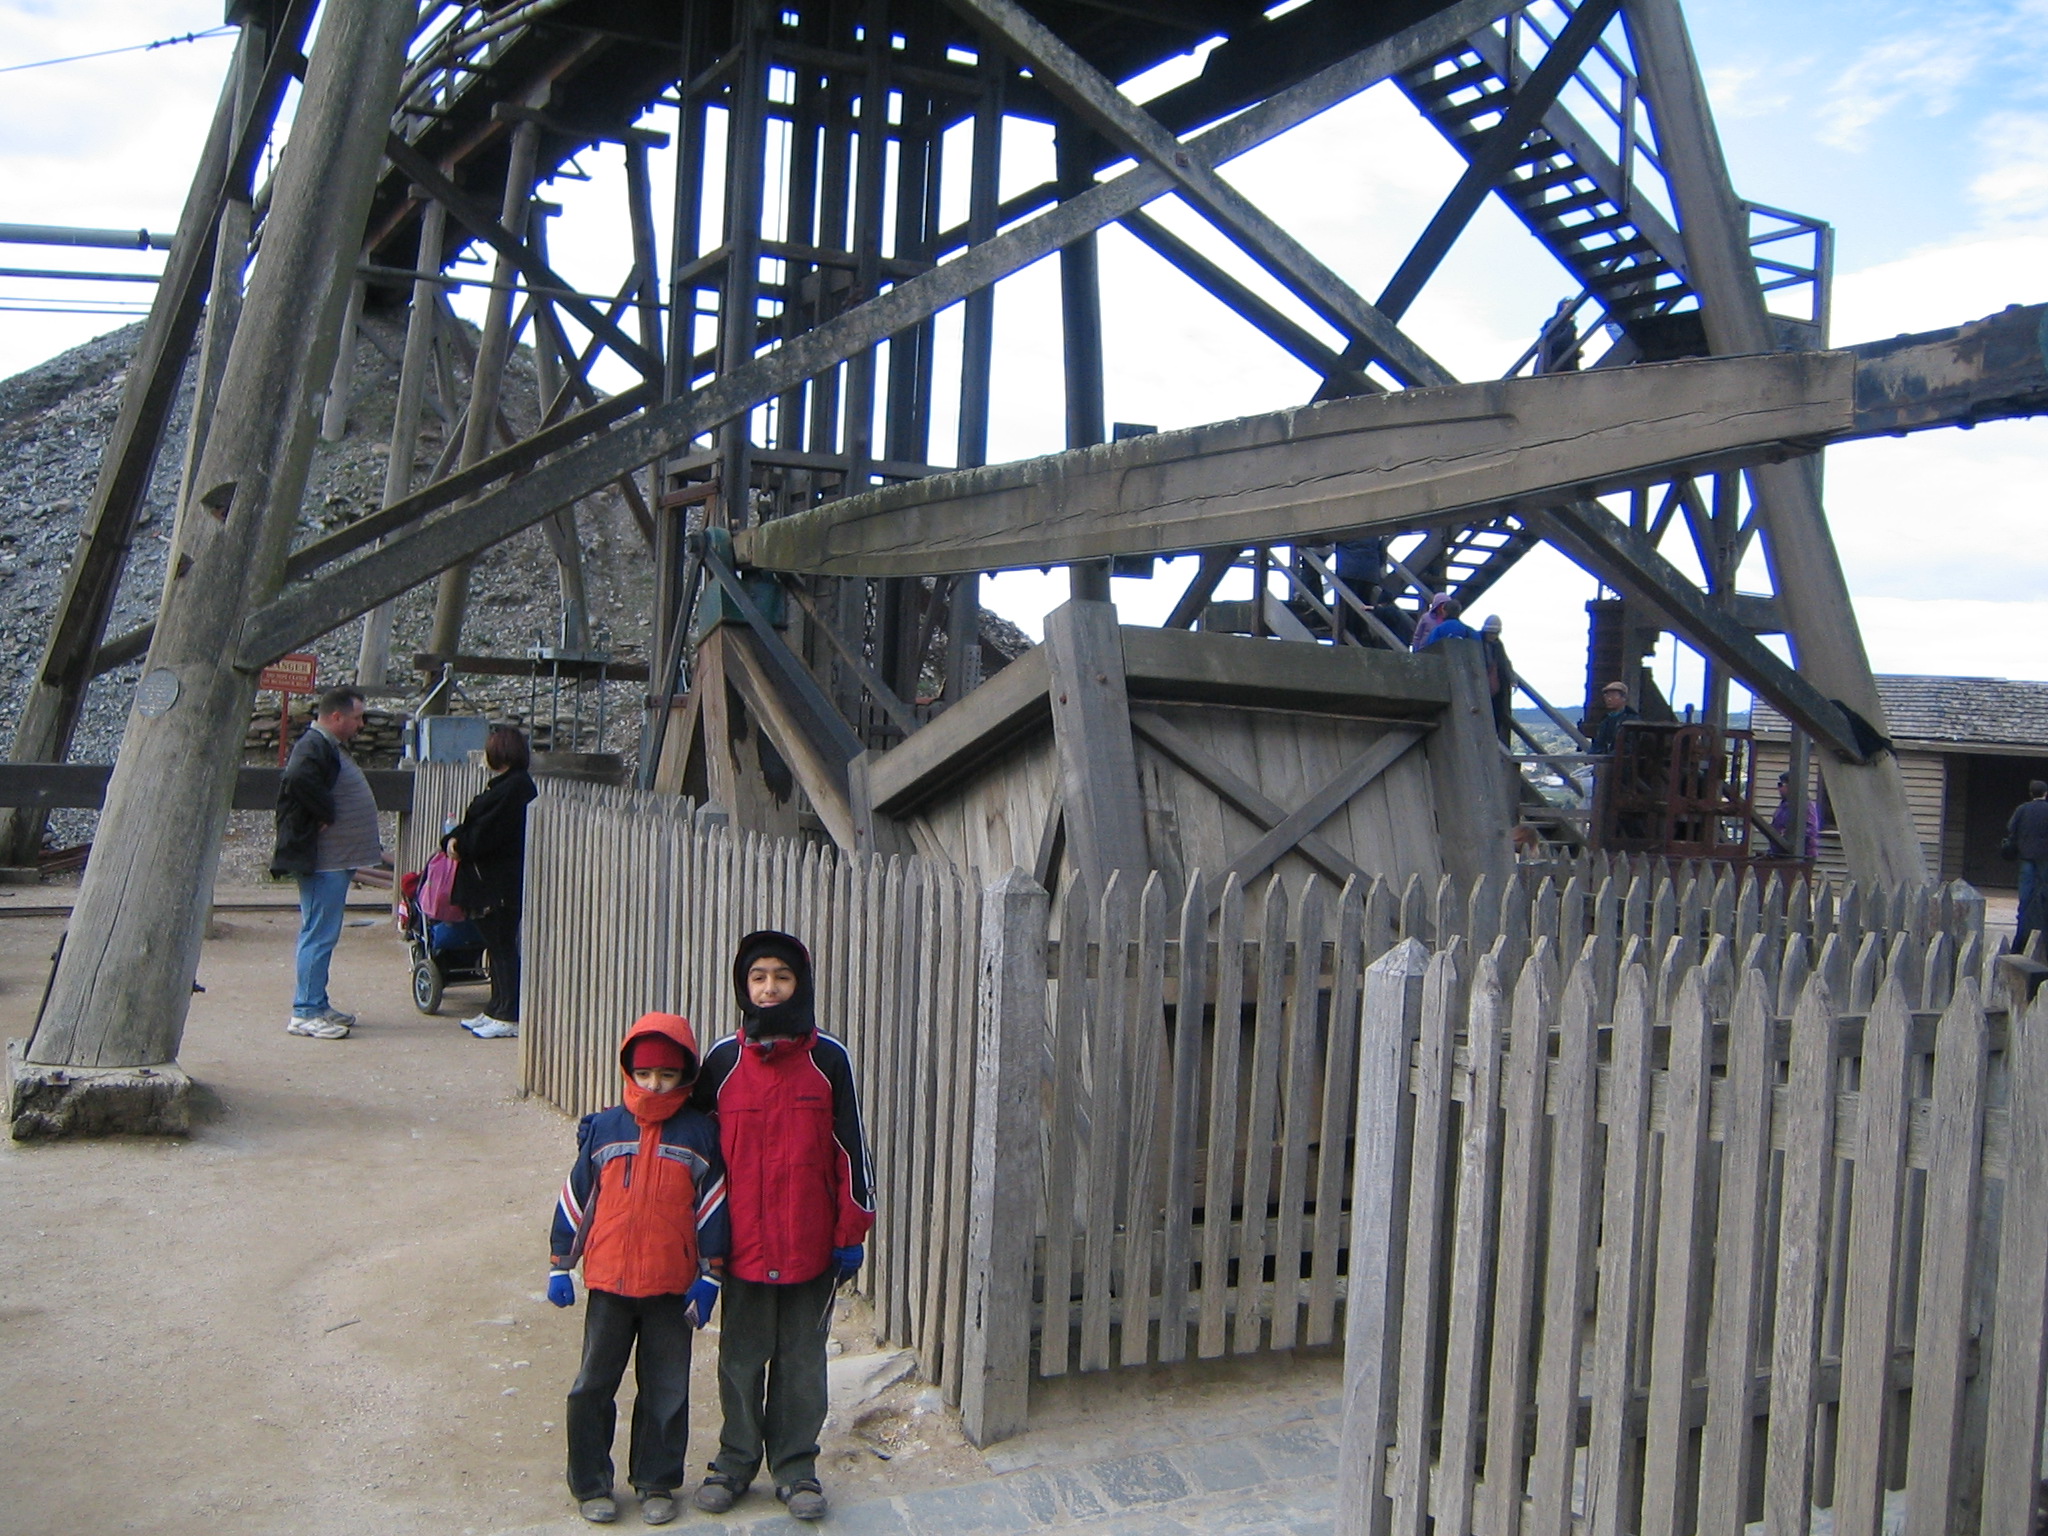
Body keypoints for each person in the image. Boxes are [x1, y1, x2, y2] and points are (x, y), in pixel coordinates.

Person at [691, 931, 873, 1523]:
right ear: (743, 987)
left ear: (802, 984)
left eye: (782, 977)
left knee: (801, 1361)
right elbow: (699, 1159)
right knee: (740, 1359)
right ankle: (735, 1462)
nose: (770, 988)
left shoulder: (828, 1060)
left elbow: (851, 1151)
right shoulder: (721, 1062)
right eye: (758, 977)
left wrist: (852, 1232)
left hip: (810, 1246)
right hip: (741, 1247)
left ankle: (796, 1469)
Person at [548, 1013, 729, 1526]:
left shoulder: (699, 1134)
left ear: (685, 1077)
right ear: (628, 1069)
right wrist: (562, 1265)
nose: (654, 1085)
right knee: (591, 1386)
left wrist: (711, 1275)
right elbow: (575, 1199)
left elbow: (713, 1209)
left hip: (672, 1290)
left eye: (667, 1076)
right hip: (609, 1284)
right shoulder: (605, 1128)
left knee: (667, 1390)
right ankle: (590, 1484)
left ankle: (656, 1481)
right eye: (645, 1074)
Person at [270, 685, 382, 1040]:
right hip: (325, 860)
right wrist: (325, 811)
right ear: (336, 717)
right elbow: (297, 779)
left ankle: (316, 1003)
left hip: (335, 859)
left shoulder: (324, 746)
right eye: (357, 717)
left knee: (323, 933)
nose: (361, 724)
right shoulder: (314, 745)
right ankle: (304, 1011)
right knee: (318, 933)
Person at [444, 725, 538, 1038]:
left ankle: (508, 1013)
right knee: (496, 946)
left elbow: (486, 835)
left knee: (502, 946)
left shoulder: (512, 789)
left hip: (497, 882)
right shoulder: (507, 785)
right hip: (490, 880)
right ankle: (495, 1006)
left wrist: (459, 843)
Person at [2007, 780, 2048, 947]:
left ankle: (2022, 935)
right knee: (2043, 896)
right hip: (2045, 858)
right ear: (2046, 793)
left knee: (2025, 898)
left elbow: (2011, 829)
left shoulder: (2022, 809)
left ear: (2031, 794)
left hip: (2026, 858)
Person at [1478, 615, 1514, 743]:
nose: (1493, 636)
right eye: (1491, 633)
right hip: (1479, 688)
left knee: (1496, 718)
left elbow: (1504, 662)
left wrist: (1512, 677)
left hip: (1496, 690)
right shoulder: (1476, 641)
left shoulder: (1498, 645)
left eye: (1495, 633)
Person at [1771, 772, 1822, 860]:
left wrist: (1786, 836)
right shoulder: (1783, 805)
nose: (1779, 788)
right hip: (1780, 855)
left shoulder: (1806, 806)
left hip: (1801, 857)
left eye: (1781, 784)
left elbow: (1810, 831)